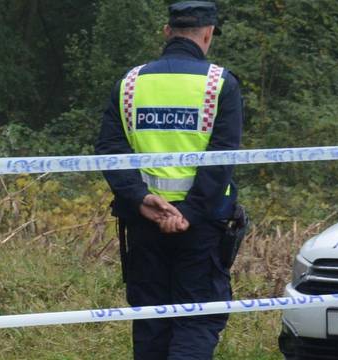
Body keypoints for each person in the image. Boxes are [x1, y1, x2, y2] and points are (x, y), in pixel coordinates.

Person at [94, 1, 244, 359]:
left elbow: (109, 148)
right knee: (197, 319)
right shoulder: (220, 84)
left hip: (144, 223)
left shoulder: (129, 84)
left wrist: (140, 200)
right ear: (207, 34)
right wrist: (188, 212)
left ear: (166, 33)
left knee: (151, 321)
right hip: (203, 226)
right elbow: (222, 158)